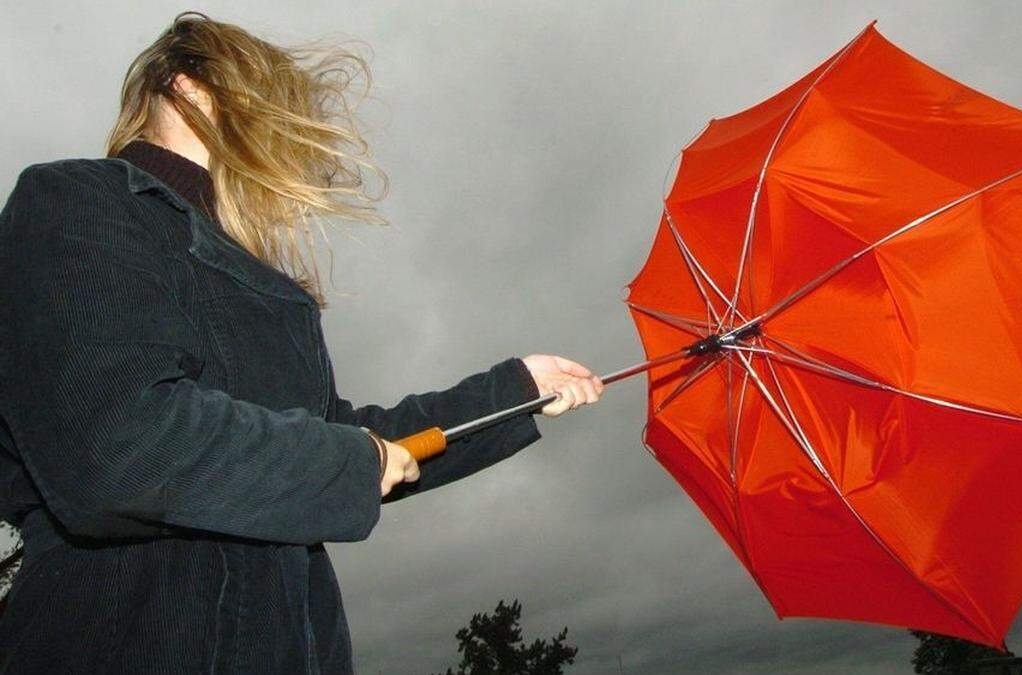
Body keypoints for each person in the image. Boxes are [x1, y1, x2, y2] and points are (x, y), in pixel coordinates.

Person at [0, 11, 603, 673]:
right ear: (187, 87)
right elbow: (116, 444)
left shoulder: (259, 280)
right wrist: (344, 460)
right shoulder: (74, 203)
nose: (278, 129)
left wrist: (517, 388)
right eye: (263, 100)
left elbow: (333, 434)